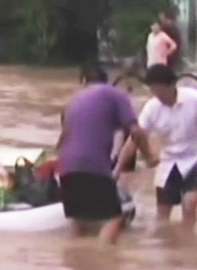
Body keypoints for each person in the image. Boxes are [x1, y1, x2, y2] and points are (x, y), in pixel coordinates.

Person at [58, 64, 156, 244]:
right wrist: (149, 156)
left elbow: (63, 139)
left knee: (79, 222)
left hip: (66, 167)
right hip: (93, 166)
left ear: (83, 81)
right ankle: (104, 260)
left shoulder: (72, 100)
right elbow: (135, 131)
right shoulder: (115, 94)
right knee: (115, 218)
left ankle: (71, 260)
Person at [116, 64, 197, 230]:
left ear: (172, 85)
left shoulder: (195, 100)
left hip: (196, 158)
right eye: (154, 91)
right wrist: (118, 169)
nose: (158, 96)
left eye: (161, 91)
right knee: (162, 214)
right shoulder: (152, 107)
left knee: (189, 203)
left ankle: (189, 241)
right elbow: (135, 139)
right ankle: (167, 247)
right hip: (169, 162)